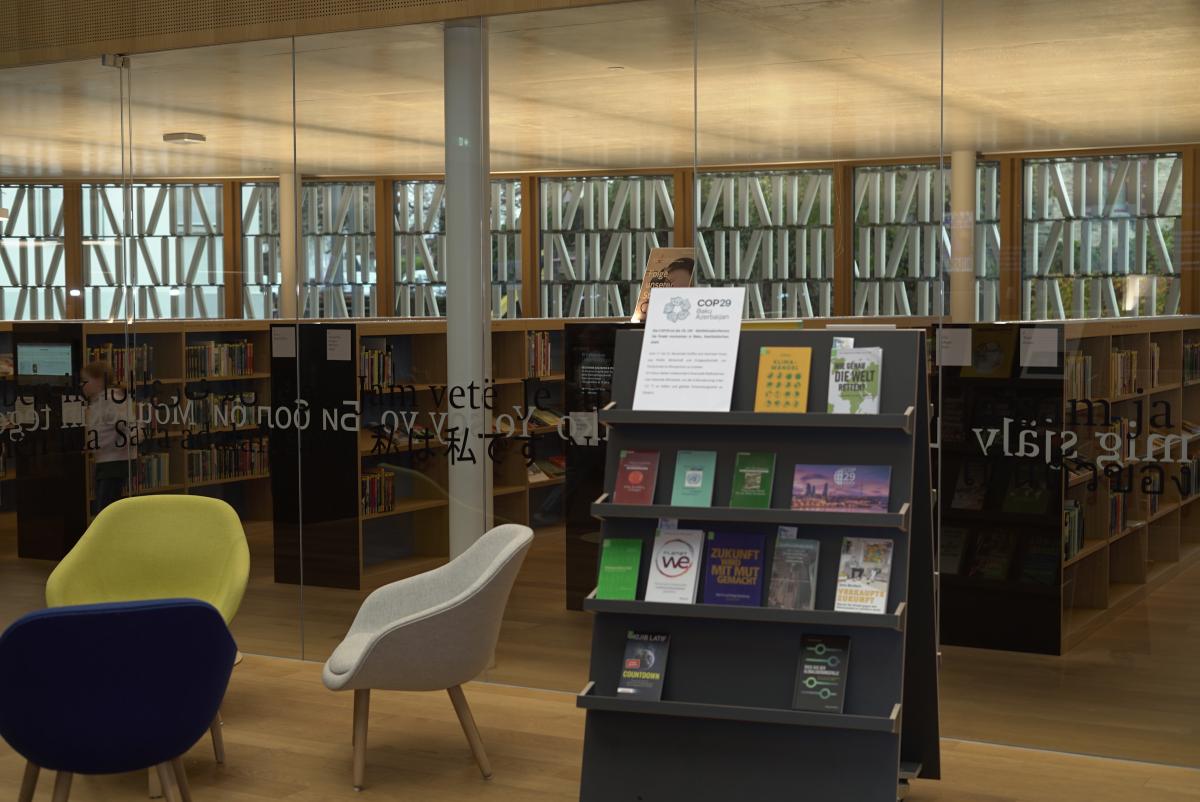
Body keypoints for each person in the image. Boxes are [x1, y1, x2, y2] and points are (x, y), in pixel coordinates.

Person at [82, 361, 136, 515]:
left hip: (115, 462)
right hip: (107, 461)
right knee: (105, 504)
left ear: (98, 381)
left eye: (86, 381)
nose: (82, 385)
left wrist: (106, 444)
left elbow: (127, 427)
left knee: (105, 508)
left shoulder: (110, 400)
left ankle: (109, 536)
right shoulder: (99, 400)